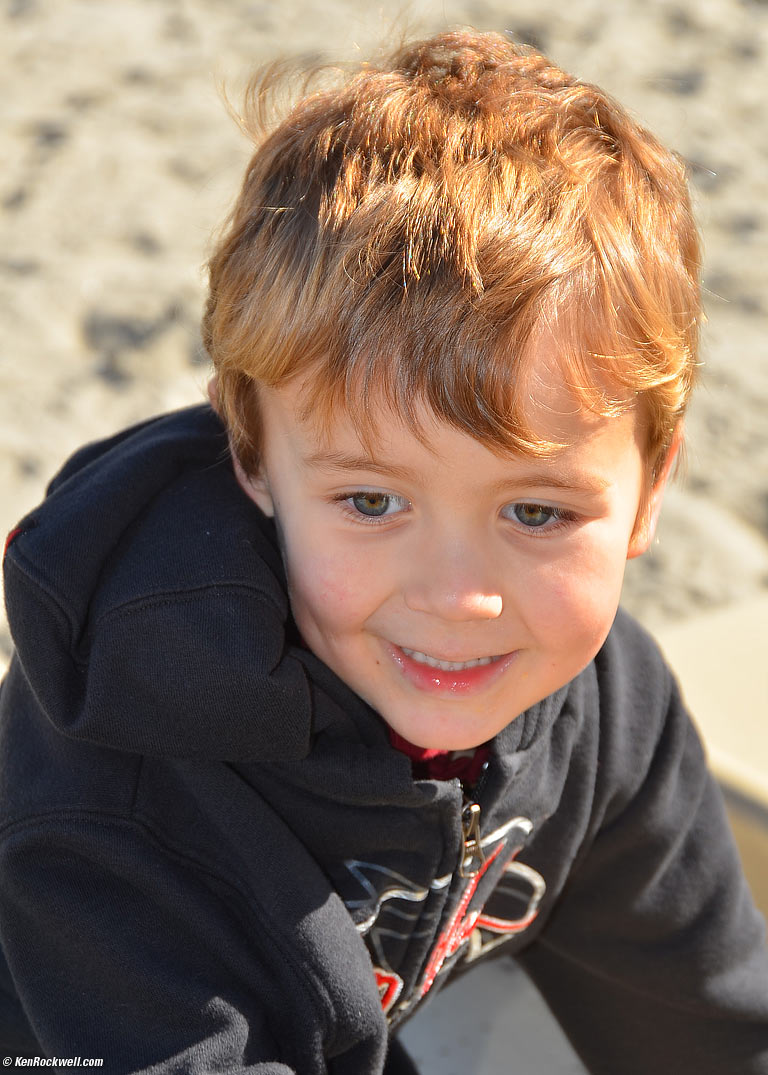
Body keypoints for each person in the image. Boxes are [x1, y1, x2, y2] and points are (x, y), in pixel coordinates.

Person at [1, 28, 766, 1074]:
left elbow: (713, 1033)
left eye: (536, 513)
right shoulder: (117, 790)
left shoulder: (607, 710)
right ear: (253, 451)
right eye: (371, 500)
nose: (459, 598)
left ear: (651, 489)